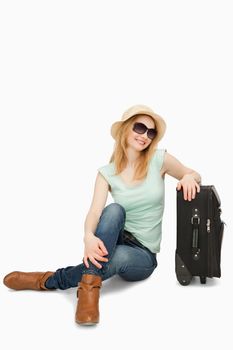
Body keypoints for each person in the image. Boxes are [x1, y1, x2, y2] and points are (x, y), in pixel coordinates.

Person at [3, 104, 201, 326]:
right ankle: (89, 293)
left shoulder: (159, 159)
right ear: (125, 129)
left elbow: (193, 173)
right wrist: (88, 235)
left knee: (115, 259)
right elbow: (95, 211)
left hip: (143, 254)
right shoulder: (107, 173)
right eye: (139, 128)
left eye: (151, 132)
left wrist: (188, 177)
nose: (145, 135)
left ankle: (48, 280)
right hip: (117, 238)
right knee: (114, 210)